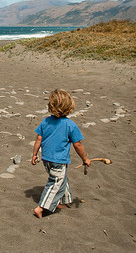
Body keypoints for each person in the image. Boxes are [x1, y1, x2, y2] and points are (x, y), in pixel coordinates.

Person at [31, 89, 91, 218]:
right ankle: (41, 207)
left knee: (62, 179)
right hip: (58, 160)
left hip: (46, 159)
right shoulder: (70, 125)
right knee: (55, 182)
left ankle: (62, 202)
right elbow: (78, 145)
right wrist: (85, 158)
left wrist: (34, 154)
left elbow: (38, 139)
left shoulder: (45, 122)